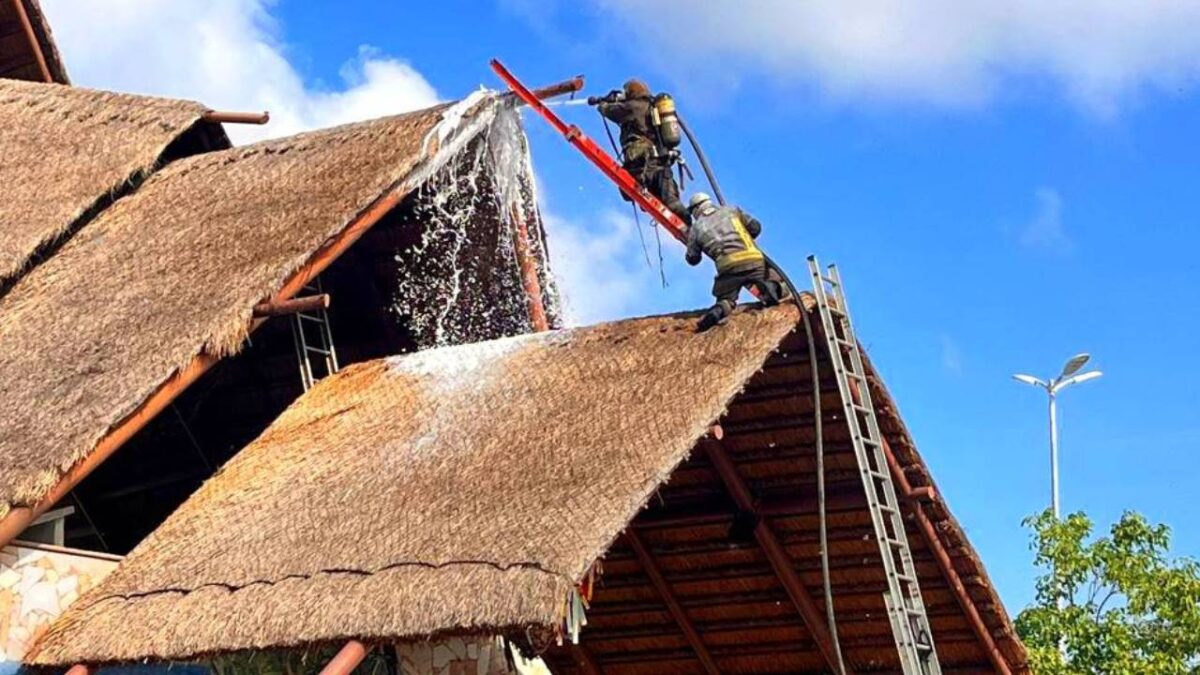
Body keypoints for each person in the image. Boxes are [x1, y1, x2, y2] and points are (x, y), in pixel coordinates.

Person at [589, 79, 691, 225]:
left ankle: (693, 231)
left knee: (627, 190)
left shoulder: (634, 107)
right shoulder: (650, 107)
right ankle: (693, 229)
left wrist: (602, 103)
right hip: (661, 168)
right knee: (672, 203)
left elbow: (610, 111)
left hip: (641, 167)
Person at [684, 192, 783, 331]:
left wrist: (695, 243)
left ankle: (717, 312)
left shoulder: (696, 228)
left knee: (726, 299)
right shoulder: (731, 210)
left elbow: (693, 259)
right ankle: (772, 288)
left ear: (696, 209)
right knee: (780, 283)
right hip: (753, 259)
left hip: (728, 268)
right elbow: (756, 228)